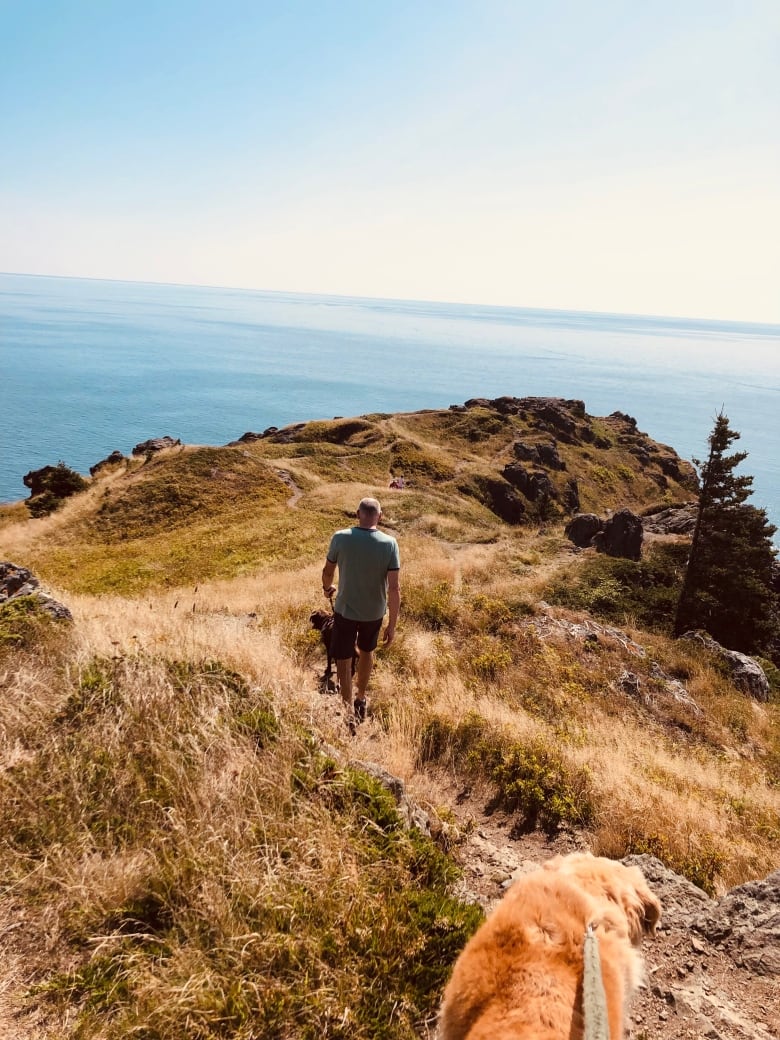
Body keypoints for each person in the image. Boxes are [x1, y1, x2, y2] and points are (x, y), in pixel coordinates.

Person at [321, 496, 400, 727]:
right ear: (380, 517)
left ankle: (346, 709)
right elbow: (394, 588)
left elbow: (327, 571)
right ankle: (361, 698)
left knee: (344, 659)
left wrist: (327, 589)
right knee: (366, 652)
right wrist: (392, 625)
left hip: (345, 609)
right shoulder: (390, 544)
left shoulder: (340, 537)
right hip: (374, 612)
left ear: (357, 514)